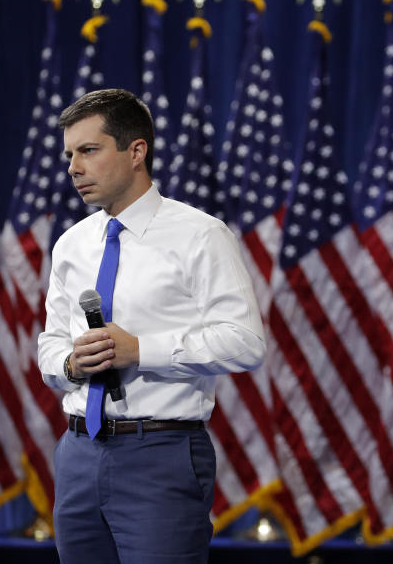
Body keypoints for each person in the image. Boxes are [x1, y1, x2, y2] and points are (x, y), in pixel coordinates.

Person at [37, 88, 266, 564]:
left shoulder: (200, 235)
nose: (73, 168)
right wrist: (71, 363)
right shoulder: (71, 245)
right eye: (69, 155)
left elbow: (245, 343)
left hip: (161, 453)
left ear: (136, 150)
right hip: (78, 455)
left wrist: (140, 350)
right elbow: (50, 347)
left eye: (88, 150)